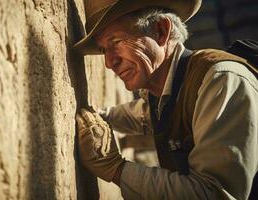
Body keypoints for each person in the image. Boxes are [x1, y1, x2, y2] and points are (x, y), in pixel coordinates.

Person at [74, 0, 258, 199]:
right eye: (103, 50)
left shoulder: (221, 81)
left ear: (161, 31)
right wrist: (95, 118)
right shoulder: (167, 90)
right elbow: (142, 114)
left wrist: (115, 169)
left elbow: (212, 193)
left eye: (117, 41)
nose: (110, 62)